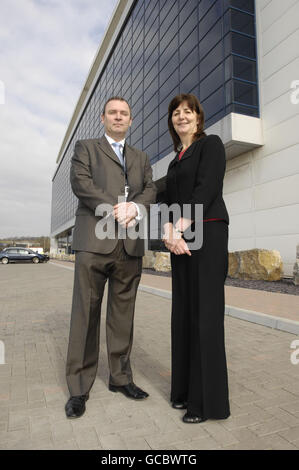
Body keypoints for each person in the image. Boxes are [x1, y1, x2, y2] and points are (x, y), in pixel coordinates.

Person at [65, 97, 157, 418]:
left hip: (129, 247)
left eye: (124, 114)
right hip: (93, 243)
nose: (118, 117)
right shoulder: (85, 148)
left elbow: (149, 189)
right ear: (103, 118)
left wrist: (136, 207)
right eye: (113, 113)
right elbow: (81, 184)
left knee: (122, 317)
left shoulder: (141, 157)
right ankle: (78, 388)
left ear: (131, 120)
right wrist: (115, 208)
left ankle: (120, 378)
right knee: (85, 315)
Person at [162, 93, 230, 423]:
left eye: (187, 112)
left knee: (205, 315)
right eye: (176, 113)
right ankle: (184, 392)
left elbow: (207, 188)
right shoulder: (175, 161)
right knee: (184, 313)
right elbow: (164, 200)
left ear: (198, 117)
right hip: (180, 241)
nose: (182, 116)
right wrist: (168, 231)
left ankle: (206, 404)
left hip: (208, 233)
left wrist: (180, 228)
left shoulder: (211, 145)